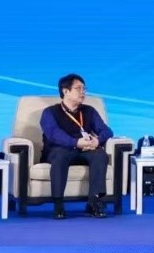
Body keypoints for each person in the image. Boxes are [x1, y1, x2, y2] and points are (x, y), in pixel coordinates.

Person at [41, 73, 113, 219]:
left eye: (84, 88)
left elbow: (107, 131)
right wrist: (76, 142)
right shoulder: (50, 112)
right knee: (60, 156)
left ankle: (94, 202)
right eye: (78, 88)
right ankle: (58, 204)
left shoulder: (89, 111)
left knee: (100, 155)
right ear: (65, 91)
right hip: (60, 150)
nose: (83, 92)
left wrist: (97, 141)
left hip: (85, 150)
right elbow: (54, 134)